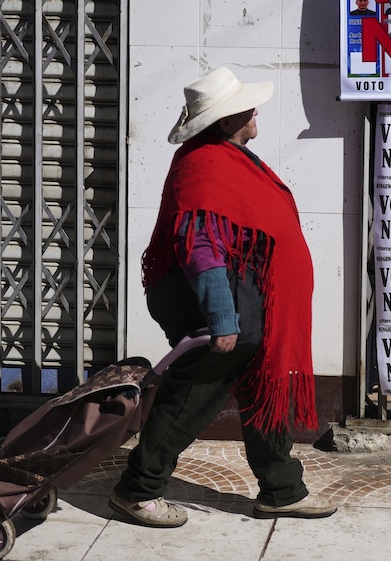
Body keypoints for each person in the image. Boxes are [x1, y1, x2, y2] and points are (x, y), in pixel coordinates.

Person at [110, 66, 337, 527]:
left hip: (246, 301)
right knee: (194, 394)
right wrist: (222, 316)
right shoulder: (203, 164)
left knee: (262, 382)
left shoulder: (232, 157)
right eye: (246, 108)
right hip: (215, 306)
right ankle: (137, 490)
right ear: (227, 121)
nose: (256, 112)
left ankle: (281, 489)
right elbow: (199, 246)